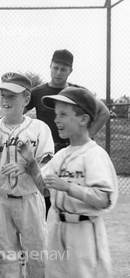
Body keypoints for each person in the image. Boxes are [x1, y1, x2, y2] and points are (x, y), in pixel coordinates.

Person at [11, 86, 118, 278]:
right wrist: (31, 162)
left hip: (84, 231)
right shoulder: (62, 155)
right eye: (56, 114)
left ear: (83, 119)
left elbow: (103, 198)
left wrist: (68, 187)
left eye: (63, 114)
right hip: (60, 229)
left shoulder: (94, 155)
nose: (56, 120)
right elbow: (44, 188)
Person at [0, 72, 54, 278]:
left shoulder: (39, 128)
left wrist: (26, 167)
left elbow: (47, 166)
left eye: (12, 96)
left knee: (37, 255)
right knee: (5, 258)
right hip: (0, 200)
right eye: (3, 95)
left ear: (26, 99)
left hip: (29, 199)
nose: (5, 100)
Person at [25, 49, 110, 220]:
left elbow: (104, 112)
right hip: (50, 152)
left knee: (73, 192)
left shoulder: (77, 92)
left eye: (63, 69)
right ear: (50, 66)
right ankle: (50, 237)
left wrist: (87, 135)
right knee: (46, 196)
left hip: (74, 150)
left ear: (70, 71)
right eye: (55, 68)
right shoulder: (38, 92)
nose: (58, 73)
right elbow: (21, 113)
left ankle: (75, 229)